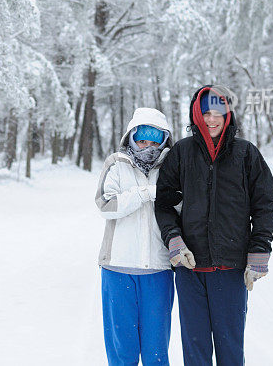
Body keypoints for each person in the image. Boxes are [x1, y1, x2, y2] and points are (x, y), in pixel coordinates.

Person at [154, 85, 273, 366]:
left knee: (230, 349)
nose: (212, 120)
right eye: (205, 113)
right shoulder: (181, 153)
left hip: (231, 271)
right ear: (196, 115)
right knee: (195, 349)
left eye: (218, 113)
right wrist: (174, 239)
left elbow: (264, 205)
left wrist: (259, 251)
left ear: (228, 115)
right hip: (190, 269)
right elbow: (164, 204)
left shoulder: (246, 154)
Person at [95, 107, 176, 365]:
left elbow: (182, 207)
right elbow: (106, 205)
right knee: (122, 352)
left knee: (156, 352)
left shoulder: (173, 168)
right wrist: (146, 193)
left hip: (159, 271)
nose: (148, 147)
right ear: (131, 137)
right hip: (117, 269)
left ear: (164, 141)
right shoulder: (117, 164)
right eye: (142, 140)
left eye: (155, 141)